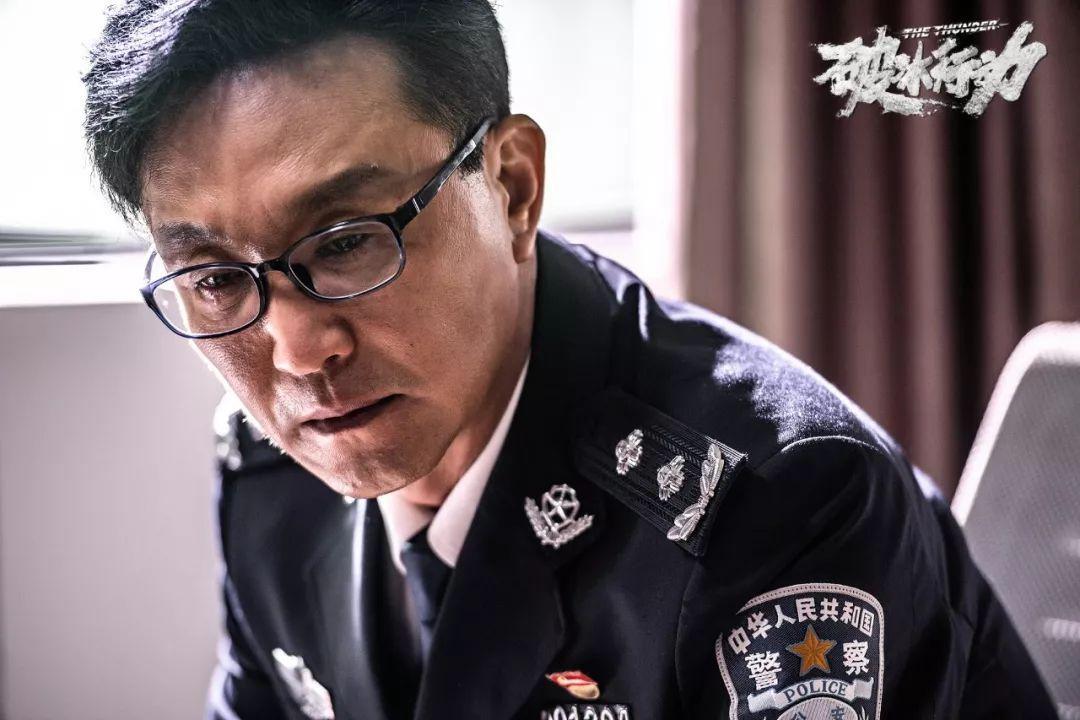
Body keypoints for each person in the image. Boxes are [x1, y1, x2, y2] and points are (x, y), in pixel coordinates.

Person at [82, 2, 1056, 719]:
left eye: (345, 242)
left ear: (512, 186)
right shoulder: (266, 479)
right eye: (214, 278)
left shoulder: (781, 506)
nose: (296, 351)